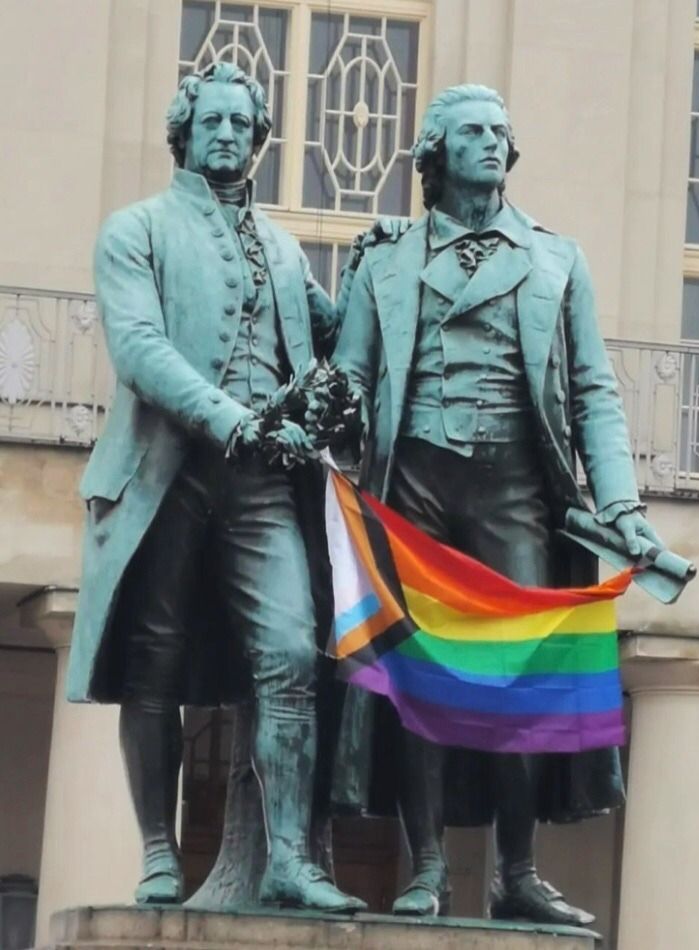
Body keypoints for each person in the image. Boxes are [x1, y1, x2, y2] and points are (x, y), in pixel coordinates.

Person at [333, 84, 663, 926]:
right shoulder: (386, 260)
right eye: (471, 132)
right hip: (414, 487)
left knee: (524, 680)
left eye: (499, 132)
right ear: (434, 156)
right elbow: (352, 376)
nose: (490, 143)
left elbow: (594, 392)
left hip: (517, 486)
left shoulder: (560, 260)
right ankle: (429, 867)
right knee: (421, 679)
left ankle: (517, 870)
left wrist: (620, 504)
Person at [66, 61, 366, 912]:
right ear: (184, 133)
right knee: (154, 665)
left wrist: (385, 267)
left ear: (259, 138)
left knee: (290, 654)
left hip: (265, 485)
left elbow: (328, 331)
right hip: (168, 474)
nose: (229, 134)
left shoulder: (279, 245)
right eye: (214, 122)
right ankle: (159, 850)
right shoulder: (137, 230)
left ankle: (288, 863)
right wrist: (231, 417)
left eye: (243, 123)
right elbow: (139, 350)